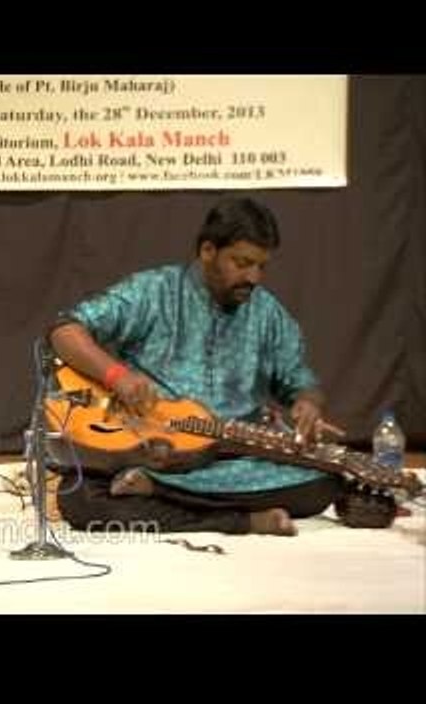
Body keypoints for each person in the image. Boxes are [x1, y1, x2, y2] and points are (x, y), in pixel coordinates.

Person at [48, 197, 348, 537]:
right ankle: (240, 520)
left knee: (323, 481)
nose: (254, 277)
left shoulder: (268, 314)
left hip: (230, 457)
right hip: (154, 453)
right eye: (242, 262)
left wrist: (308, 403)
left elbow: (300, 379)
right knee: (82, 500)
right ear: (208, 250)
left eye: (261, 266)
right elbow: (65, 331)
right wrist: (117, 376)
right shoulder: (153, 291)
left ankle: (161, 495)